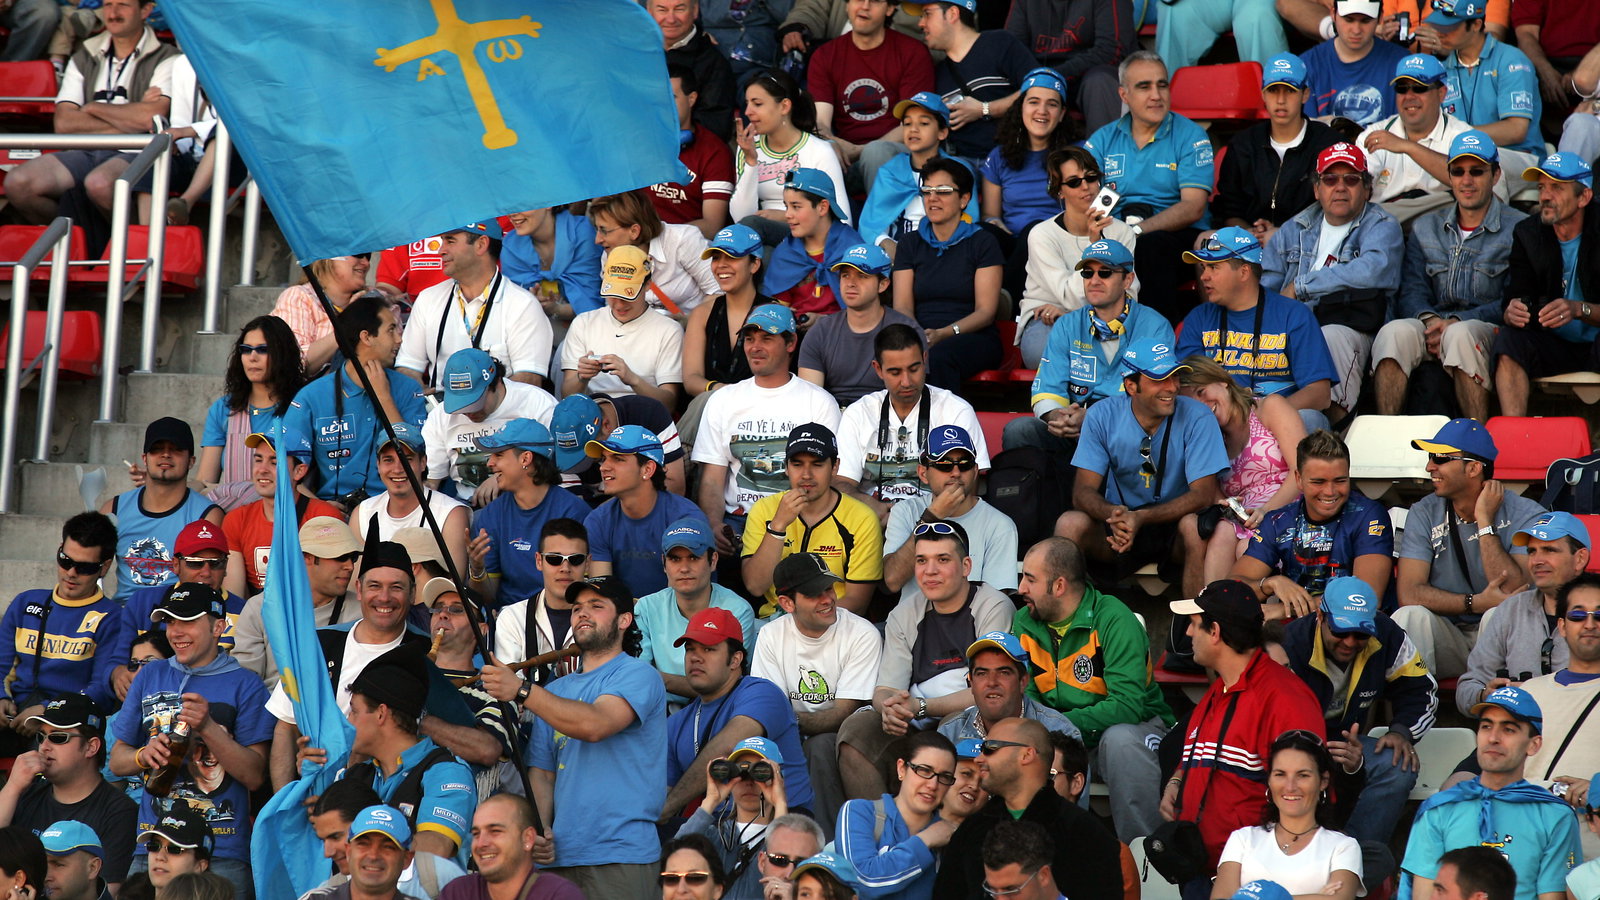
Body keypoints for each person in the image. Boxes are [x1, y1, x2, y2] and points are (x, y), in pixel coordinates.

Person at [480, 576, 667, 899]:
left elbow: (596, 724)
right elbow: (542, 774)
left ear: (624, 620)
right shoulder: (554, 691)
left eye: (596, 606)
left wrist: (522, 690)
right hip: (558, 858)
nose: (582, 613)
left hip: (622, 855)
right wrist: (541, 830)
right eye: (577, 607)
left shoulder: (640, 674)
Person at [108, 585, 272, 900]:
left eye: (188, 621)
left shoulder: (247, 684)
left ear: (218, 626)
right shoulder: (150, 674)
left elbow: (254, 776)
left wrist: (208, 727)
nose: (176, 632)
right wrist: (144, 755)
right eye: (170, 622)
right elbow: (117, 761)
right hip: (154, 843)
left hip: (220, 848)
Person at [1159, 582, 1326, 888]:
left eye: (1194, 624)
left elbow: (1305, 796)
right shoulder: (1219, 690)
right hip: (1203, 870)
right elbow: (1198, 756)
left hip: (1255, 881)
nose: (1188, 633)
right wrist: (1177, 782)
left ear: (1215, 632)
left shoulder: (1285, 699)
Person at [1009, 538, 1172, 841]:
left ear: (1059, 586)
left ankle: (1147, 854)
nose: (1021, 589)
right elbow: (1026, 696)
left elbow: (1127, 707)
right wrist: (1052, 731)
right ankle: (1037, 851)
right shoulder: (1024, 621)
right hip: (1060, 740)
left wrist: (1057, 725)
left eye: (1030, 579)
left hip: (1131, 733)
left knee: (1120, 741)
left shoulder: (1113, 619)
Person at [837, 521, 1012, 800]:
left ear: (966, 566)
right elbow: (886, 689)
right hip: (914, 724)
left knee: (957, 723)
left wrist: (921, 707)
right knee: (858, 729)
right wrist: (891, 709)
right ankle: (880, 822)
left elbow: (989, 691)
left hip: (969, 722)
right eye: (921, 561)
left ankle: (952, 824)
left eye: (943, 559)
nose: (930, 571)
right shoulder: (904, 613)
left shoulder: (992, 606)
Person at [1056, 338, 1227, 598]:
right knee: (1069, 523)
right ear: (1131, 386)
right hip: (1120, 522)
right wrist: (1113, 514)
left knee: (1195, 527)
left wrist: (1142, 517)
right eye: (1160, 379)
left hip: (1175, 525)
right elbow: (1082, 492)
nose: (1172, 387)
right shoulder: (1102, 414)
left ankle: (1198, 619)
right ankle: (1069, 619)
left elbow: (1203, 494)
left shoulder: (1198, 416)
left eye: (1175, 377)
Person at [1372, 130, 1521, 420]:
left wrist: (1455, 321)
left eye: (1477, 171)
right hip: (1432, 324)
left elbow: (1512, 300)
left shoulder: (1520, 228)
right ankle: (1387, 434)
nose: (1467, 180)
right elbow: (1412, 289)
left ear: (1496, 175)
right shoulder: (1425, 226)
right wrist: (1430, 321)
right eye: (1458, 171)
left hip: (1485, 329)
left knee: (1460, 335)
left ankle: (1476, 438)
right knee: (1393, 333)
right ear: (1450, 176)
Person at [1281, 577, 1437, 848]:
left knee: (1397, 763)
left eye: (1361, 634)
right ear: (1320, 617)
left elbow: (1422, 690)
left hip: (1349, 743)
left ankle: (1359, 855)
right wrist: (1309, 749)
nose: (1350, 642)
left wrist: (1401, 732)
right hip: (1295, 745)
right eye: (1340, 632)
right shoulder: (1291, 643)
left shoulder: (1387, 633)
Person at [266, 539, 430, 787]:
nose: (384, 597)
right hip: (319, 794)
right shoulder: (317, 645)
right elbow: (286, 727)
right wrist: (286, 799)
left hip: (394, 794)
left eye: (396, 587)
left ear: (413, 593)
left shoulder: (425, 652)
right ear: (359, 589)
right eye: (374, 586)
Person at [1393, 418, 1546, 680]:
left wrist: (1484, 520)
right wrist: (1474, 603)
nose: (1430, 467)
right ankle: (1416, 702)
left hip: (1507, 638)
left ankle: (1494, 702)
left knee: (1496, 614)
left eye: (1440, 458)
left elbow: (1511, 590)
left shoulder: (1526, 513)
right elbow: (1409, 592)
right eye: (1430, 458)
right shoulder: (1424, 511)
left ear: (1474, 468)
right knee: (1409, 616)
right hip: (1449, 634)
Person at [1262, 142, 1404, 422]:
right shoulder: (1294, 227)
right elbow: (1267, 286)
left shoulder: (1382, 224)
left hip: (1355, 328)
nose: (1340, 187)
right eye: (1330, 180)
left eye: (1351, 180)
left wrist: (1302, 286)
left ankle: (1334, 431)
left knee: (1330, 336)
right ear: (1317, 189)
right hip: (1292, 328)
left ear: (1367, 189)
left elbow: (1372, 270)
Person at [3, 0, 177, 226]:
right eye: (108, 5)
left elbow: (149, 118)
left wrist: (93, 108)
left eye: (123, 5)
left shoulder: (167, 57)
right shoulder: (83, 55)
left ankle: (134, 242)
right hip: (85, 150)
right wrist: (131, 117)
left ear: (146, 10)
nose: (113, 13)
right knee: (19, 183)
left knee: (100, 184)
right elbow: (64, 123)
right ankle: (80, 237)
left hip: (137, 152)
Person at [1399, 687, 1580, 900]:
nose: (1493, 738)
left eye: (1508, 729)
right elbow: (1424, 895)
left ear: (1534, 744)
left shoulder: (1555, 815)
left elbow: (1552, 896)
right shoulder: (1439, 809)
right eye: (1486, 726)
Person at [750, 552, 883, 839]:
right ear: (787, 603)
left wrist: (789, 722)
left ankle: (829, 846)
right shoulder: (771, 636)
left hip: (843, 738)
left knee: (819, 746)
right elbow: (769, 709)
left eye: (829, 588)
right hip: (790, 738)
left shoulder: (862, 634)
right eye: (814, 593)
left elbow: (845, 712)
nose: (828, 599)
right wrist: (786, 725)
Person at [694, 304, 842, 556]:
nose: (755, 347)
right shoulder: (723, 399)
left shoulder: (819, 401)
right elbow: (712, 478)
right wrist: (714, 524)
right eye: (749, 339)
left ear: (791, 343)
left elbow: (829, 477)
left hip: (800, 518)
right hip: (738, 520)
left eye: (766, 338)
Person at [1084, 51, 1213, 321]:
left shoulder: (1190, 135)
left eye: (1162, 85)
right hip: (1116, 233)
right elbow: (1089, 202)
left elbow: (1193, 207)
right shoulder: (1103, 140)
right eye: (1144, 87)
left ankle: (1156, 336)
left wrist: (1136, 232)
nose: (1156, 95)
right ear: (1124, 95)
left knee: (1151, 247)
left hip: (1175, 237)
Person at [931, 717, 1123, 900]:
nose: (979, 759)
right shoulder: (972, 829)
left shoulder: (1085, 833)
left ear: (1026, 755)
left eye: (989, 748)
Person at [1176, 227, 1338, 432]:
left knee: (1311, 419)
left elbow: (1319, 394)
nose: (1203, 276)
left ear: (1244, 272)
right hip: (1219, 425)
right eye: (1203, 267)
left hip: (1278, 425)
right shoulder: (1198, 318)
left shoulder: (1294, 315)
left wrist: (1264, 415)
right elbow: (1186, 387)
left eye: (1214, 267)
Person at [664, 612, 814, 824]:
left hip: (781, 822)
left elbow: (728, 747)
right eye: (690, 649)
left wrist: (666, 809)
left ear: (735, 659)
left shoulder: (762, 692)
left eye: (708, 649)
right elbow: (664, 790)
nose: (695, 657)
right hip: (716, 826)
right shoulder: (676, 722)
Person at [284, 295, 428, 507]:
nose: (399, 339)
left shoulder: (408, 389)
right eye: (391, 330)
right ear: (366, 337)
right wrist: (319, 508)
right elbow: (283, 468)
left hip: (397, 507)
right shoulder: (312, 396)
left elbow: (414, 459)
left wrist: (384, 398)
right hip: (333, 512)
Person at [1231, 430, 1394, 614]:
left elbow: (1366, 598)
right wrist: (1269, 584)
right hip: (1296, 627)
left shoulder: (1369, 515)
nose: (1330, 491)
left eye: (1340, 480)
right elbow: (1230, 589)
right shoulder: (1278, 521)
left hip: (1355, 627)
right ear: (1298, 479)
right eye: (1318, 482)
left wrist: (1282, 610)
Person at [1179, 356, 1307, 586]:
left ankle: (1263, 608)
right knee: (1222, 532)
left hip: (1288, 506)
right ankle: (1214, 605)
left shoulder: (1268, 408)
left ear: (1222, 381)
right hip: (1245, 517)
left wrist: (1266, 510)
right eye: (1193, 404)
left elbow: (1303, 471)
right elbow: (1214, 492)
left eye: (1201, 391)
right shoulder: (1209, 438)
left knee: (1247, 548)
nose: (1202, 405)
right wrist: (1228, 504)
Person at [836, 324, 986, 519]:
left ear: (925, 360)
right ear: (878, 369)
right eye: (895, 372)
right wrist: (870, 507)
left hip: (939, 521)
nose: (906, 381)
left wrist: (925, 518)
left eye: (914, 369)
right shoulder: (858, 412)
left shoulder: (956, 410)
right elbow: (840, 483)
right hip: (873, 521)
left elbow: (970, 485)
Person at [1490, 153, 1600, 418]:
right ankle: (1515, 435)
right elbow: (1517, 295)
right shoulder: (1528, 233)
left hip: (1597, 342)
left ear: (1584, 197)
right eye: (1541, 187)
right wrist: (1512, 311)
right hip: (1555, 344)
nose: (1545, 196)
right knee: (1510, 340)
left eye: (1557, 188)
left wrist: (1578, 309)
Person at [1015, 148, 1143, 370]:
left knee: (1131, 353)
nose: (1086, 187)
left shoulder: (1122, 232)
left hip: (1106, 320)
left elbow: (1129, 295)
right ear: (1059, 191)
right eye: (1074, 182)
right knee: (1046, 354)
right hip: (1048, 320)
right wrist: (1095, 248)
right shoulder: (1042, 234)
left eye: (1091, 178)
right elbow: (1068, 295)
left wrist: (1071, 313)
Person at [742, 424, 884, 617]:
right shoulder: (764, 510)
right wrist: (777, 527)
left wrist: (802, 623)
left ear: (835, 467)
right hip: (774, 622)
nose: (806, 475)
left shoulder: (861, 518)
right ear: (786, 467)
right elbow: (755, 586)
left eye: (817, 464)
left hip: (835, 621)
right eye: (797, 464)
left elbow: (857, 602)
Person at [395, 221, 552, 393]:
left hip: (500, 410)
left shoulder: (523, 305)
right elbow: (407, 368)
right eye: (442, 241)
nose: (441, 250)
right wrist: (423, 397)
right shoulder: (428, 299)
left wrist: (477, 402)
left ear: (481, 245)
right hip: (440, 408)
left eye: (450, 241)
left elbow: (528, 382)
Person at [1457, 512, 1588, 716]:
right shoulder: (1510, 609)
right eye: (1532, 551)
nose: (1537, 561)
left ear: (1579, 559)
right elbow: (1466, 689)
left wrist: (1538, 694)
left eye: (1549, 550)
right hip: (1517, 730)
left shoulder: (1595, 616)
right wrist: (1486, 695)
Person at [891, 157, 1004, 391]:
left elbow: (985, 312)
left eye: (942, 191)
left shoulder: (983, 242)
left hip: (973, 336)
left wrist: (945, 333)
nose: (932, 198)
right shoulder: (909, 243)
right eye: (927, 191)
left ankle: (944, 416)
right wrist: (918, 335)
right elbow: (902, 306)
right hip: (919, 334)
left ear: (964, 199)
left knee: (938, 357)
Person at [0, 696, 136, 888]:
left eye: (58, 737)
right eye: (41, 737)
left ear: (91, 747)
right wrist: (13, 786)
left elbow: (109, 891)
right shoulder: (23, 792)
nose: (44, 746)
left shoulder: (119, 811)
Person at [1210, 731, 1364, 900]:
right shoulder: (1242, 839)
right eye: (1280, 774)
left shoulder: (1343, 846)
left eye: (1303, 775)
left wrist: (1251, 896)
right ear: (1269, 780)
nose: (1290, 787)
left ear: (1323, 781)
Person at [0, 512, 123, 719]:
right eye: (65, 560)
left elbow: (101, 691)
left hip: (69, 721)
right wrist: (1, 698)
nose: (71, 572)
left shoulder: (112, 618)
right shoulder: (25, 603)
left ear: (105, 567)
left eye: (84, 567)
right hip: (14, 710)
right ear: (59, 549)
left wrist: (49, 710)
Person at [1214, 55, 1344, 248]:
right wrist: (1249, 234)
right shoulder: (1243, 144)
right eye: (1273, 90)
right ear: (1263, 95)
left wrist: (1283, 234)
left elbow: (1340, 208)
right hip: (1249, 245)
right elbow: (1229, 208)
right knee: (1204, 240)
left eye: (1290, 90)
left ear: (1305, 94)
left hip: (1311, 245)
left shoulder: (1329, 144)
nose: (1281, 100)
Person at [466, 420, 590, 609]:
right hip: (509, 617)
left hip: (561, 614)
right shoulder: (492, 514)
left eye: (499, 454)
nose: (490, 463)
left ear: (525, 459)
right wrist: (477, 570)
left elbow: (582, 588)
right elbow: (488, 597)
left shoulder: (573, 512)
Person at [881, 426, 1015, 601]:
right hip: (912, 618)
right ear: (923, 473)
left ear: (975, 471)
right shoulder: (905, 511)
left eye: (964, 464)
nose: (956, 473)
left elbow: (996, 604)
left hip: (971, 618)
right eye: (944, 465)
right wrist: (932, 517)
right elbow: (892, 580)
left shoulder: (1000, 525)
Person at [231, 516, 364, 689]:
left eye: (353, 557)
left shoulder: (362, 612)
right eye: (341, 557)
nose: (350, 566)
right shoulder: (260, 608)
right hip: (271, 704)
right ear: (307, 558)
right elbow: (246, 682)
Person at [1520, 574, 1600, 860]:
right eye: (1578, 615)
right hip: (1525, 845)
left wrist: (1597, 788)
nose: (1590, 624)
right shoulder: (1528, 693)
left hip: (1591, 855)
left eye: (1599, 615)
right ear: (1562, 626)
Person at [103, 418, 225, 605]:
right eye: (157, 449)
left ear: (191, 461)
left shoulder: (208, 516)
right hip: (124, 611)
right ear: (145, 458)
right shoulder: (114, 509)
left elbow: (209, 579)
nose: (166, 454)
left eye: (176, 449)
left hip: (179, 611)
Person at [806, 0, 934, 175]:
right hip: (844, 156)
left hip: (898, 154)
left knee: (876, 152)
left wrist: (861, 150)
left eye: (875, 0)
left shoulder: (912, 52)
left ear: (890, 8)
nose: (865, 6)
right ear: (847, 5)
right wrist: (830, 143)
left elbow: (913, 124)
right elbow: (820, 121)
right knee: (820, 151)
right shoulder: (825, 55)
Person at [637, 521, 760, 702]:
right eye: (675, 559)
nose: (684, 568)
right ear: (664, 564)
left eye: (694, 557)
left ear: (713, 561)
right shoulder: (646, 607)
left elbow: (727, 685)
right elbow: (636, 678)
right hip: (659, 709)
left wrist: (659, 679)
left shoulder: (737, 610)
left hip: (719, 711)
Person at [583, 425, 709, 598]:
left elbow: (690, 596)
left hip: (678, 611)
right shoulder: (598, 520)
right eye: (604, 459)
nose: (603, 467)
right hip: (623, 612)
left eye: (618, 459)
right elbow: (602, 593)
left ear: (647, 469)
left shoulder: (686, 519)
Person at [732, 69, 854, 247]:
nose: (748, 111)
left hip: (811, 239)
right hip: (761, 238)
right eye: (747, 103)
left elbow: (843, 221)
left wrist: (785, 217)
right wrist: (751, 161)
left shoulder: (819, 150)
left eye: (757, 104)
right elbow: (740, 219)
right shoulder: (749, 146)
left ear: (784, 106)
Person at [423, 348, 557, 508]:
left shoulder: (537, 403)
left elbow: (554, 467)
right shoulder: (440, 416)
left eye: (475, 403)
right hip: (465, 503)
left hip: (527, 500)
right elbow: (432, 480)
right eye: (460, 406)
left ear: (496, 383)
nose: (468, 412)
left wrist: (503, 476)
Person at [197, 316, 306, 509]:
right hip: (233, 519)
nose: (252, 357)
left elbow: (301, 481)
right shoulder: (223, 409)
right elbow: (205, 481)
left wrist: (226, 490)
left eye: (263, 349)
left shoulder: (301, 407)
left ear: (283, 354)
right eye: (246, 349)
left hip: (288, 516)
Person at [855, 94, 980, 259]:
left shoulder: (958, 170)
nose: (913, 129)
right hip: (899, 252)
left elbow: (970, 219)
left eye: (924, 123)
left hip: (948, 250)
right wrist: (886, 243)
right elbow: (871, 225)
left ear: (942, 132)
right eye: (907, 123)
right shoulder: (890, 171)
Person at [836, 731, 956, 900]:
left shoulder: (950, 837)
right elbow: (862, 881)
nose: (933, 784)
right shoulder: (859, 812)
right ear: (901, 769)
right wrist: (925, 840)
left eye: (944, 777)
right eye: (924, 770)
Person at [305, 775, 468, 900]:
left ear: (407, 857)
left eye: (336, 836)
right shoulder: (322, 894)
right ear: (349, 849)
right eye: (363, 843)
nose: (328, 852)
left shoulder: (437, 874)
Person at [221, 430, 342, 597]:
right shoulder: (236, 519)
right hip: (258, 610)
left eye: (274, 462)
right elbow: (235, 595)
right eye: (258, 460)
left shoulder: (324, 517)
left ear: (299, 471)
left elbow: (330, 589)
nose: (262, 470)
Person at [560, 245, 686, 406]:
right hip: (594, 412)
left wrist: (632, 379)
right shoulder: (584, 323)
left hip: (643, 414)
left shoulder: (668, 330)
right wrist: (582, 377)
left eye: (628, 295)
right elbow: (567, 397)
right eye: (613, 294)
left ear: (648, 285)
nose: (619, 305)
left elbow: (668, 404)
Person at [910, 0, 1035, 162]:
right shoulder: (937, 72)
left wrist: (984, 109)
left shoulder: (1000, 43)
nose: (920, 23)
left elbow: (1039, 87)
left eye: (927, 14)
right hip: (961, 167)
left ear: (952, 14)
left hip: (1012, 159)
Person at [800, 245, 923, 409]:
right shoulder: (821, 331)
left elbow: (911, 394)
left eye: (862, 276)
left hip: (888, 414)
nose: (851, 283)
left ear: (883, 284)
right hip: (833, 414)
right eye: (845, 275)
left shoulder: (908, 331)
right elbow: (810, 400)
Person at [980, 68, 1077, 261]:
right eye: (1034, 102)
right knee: (983, 232)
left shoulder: (1077, 154)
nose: (1042, 111)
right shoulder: (999, 156)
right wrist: (993, 221)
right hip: (1012, 242)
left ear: (1061, 113)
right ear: (1021, 108)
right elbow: (990, 213)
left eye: (1052, 104)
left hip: (1060, 244)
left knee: (1034, 231)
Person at [350, 424, 470, 577]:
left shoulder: (450, 514)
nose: (398, 469)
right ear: (378, 465)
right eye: (388, 460)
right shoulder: (362, 513)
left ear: (423, 463)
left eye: (406, 459)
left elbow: (452, 584)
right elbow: (356, 582)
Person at [682, 226, 779, 413]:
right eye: (716, 258)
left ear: (754, 264)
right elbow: (691, 379)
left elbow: (780, 378)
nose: (721, 265)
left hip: (761, 410)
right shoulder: (701, 313)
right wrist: (723, 391)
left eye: (732, 257)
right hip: (711, 408)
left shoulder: (775, 313)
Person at [1004, 0, 1135, 135]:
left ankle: (1103, 148)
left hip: (1085, 78)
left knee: (1100, 80)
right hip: (1038, 77)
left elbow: (1110, 51)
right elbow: (1012, 50)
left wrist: (1048, 78)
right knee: (999, 67)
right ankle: (1001, 147)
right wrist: (1039, 80)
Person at [1434, 0, 1544, 158]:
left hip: (1517, 156)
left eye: (1449, 26)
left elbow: (1516, 130)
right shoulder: (1442, 68)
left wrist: (1453, 136)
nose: (1440, 32)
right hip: (1462, 156)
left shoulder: (1511, 59)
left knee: (1472, 166)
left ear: (1476, 25)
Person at [588, 190, 720, 317]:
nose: (597, 240)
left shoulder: (682, 239)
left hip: (693, 327)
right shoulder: (611, 254)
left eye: (604, 231)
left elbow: (718, 292)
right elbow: (612, 303)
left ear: (634, 231)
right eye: (596, 230)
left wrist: (689, 322)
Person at [489, 518, 588, 683]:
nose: (565, 568)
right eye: (554, 558)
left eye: (575, 559)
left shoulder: (605, 618)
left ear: (588, 563)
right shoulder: (513, 617)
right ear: (539, 561)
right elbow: (508, 686)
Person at [763, 169, 865, 323]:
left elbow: (865, 312)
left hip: (845, 330)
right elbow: (775, 311)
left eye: (796, 206)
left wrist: (824, 321)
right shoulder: (785, 253)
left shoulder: (853, 249)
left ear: (822, 207)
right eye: (786, 206)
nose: (787, 215)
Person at [438, 794, 582, 900]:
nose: (481, 843)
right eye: (476, 834)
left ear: (528, 838)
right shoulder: (458, 892)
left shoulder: (558, 895)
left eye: (495, 831)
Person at [554, 391, 689, 503]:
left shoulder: (648, 413)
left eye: (588, 450)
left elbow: (675, 486)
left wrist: (613, 511)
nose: (602, 467)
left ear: (606, 425)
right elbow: (570, 509)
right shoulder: (564, 428)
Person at [650, 66, 735, 239]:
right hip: (638, 241)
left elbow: (712, 226)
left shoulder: (714, 152)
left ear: (692, 99)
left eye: (672, 97)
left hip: (690, 245)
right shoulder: (640, 142)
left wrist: (658, 235)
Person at [1302, 0, 1410, 127]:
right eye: (1349, 20)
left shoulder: (1403, 63)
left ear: (1380, 17)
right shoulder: (1307, 65)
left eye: (1365, 21)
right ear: (1333, 14)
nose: (1356, 30)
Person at [269, 255, 377, 372]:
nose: (366, 263)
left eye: (368, 255)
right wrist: (348, 323)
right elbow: (295, 364)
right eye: (357, 254)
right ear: (329, 256)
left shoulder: (373, 298)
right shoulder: (300, 297)